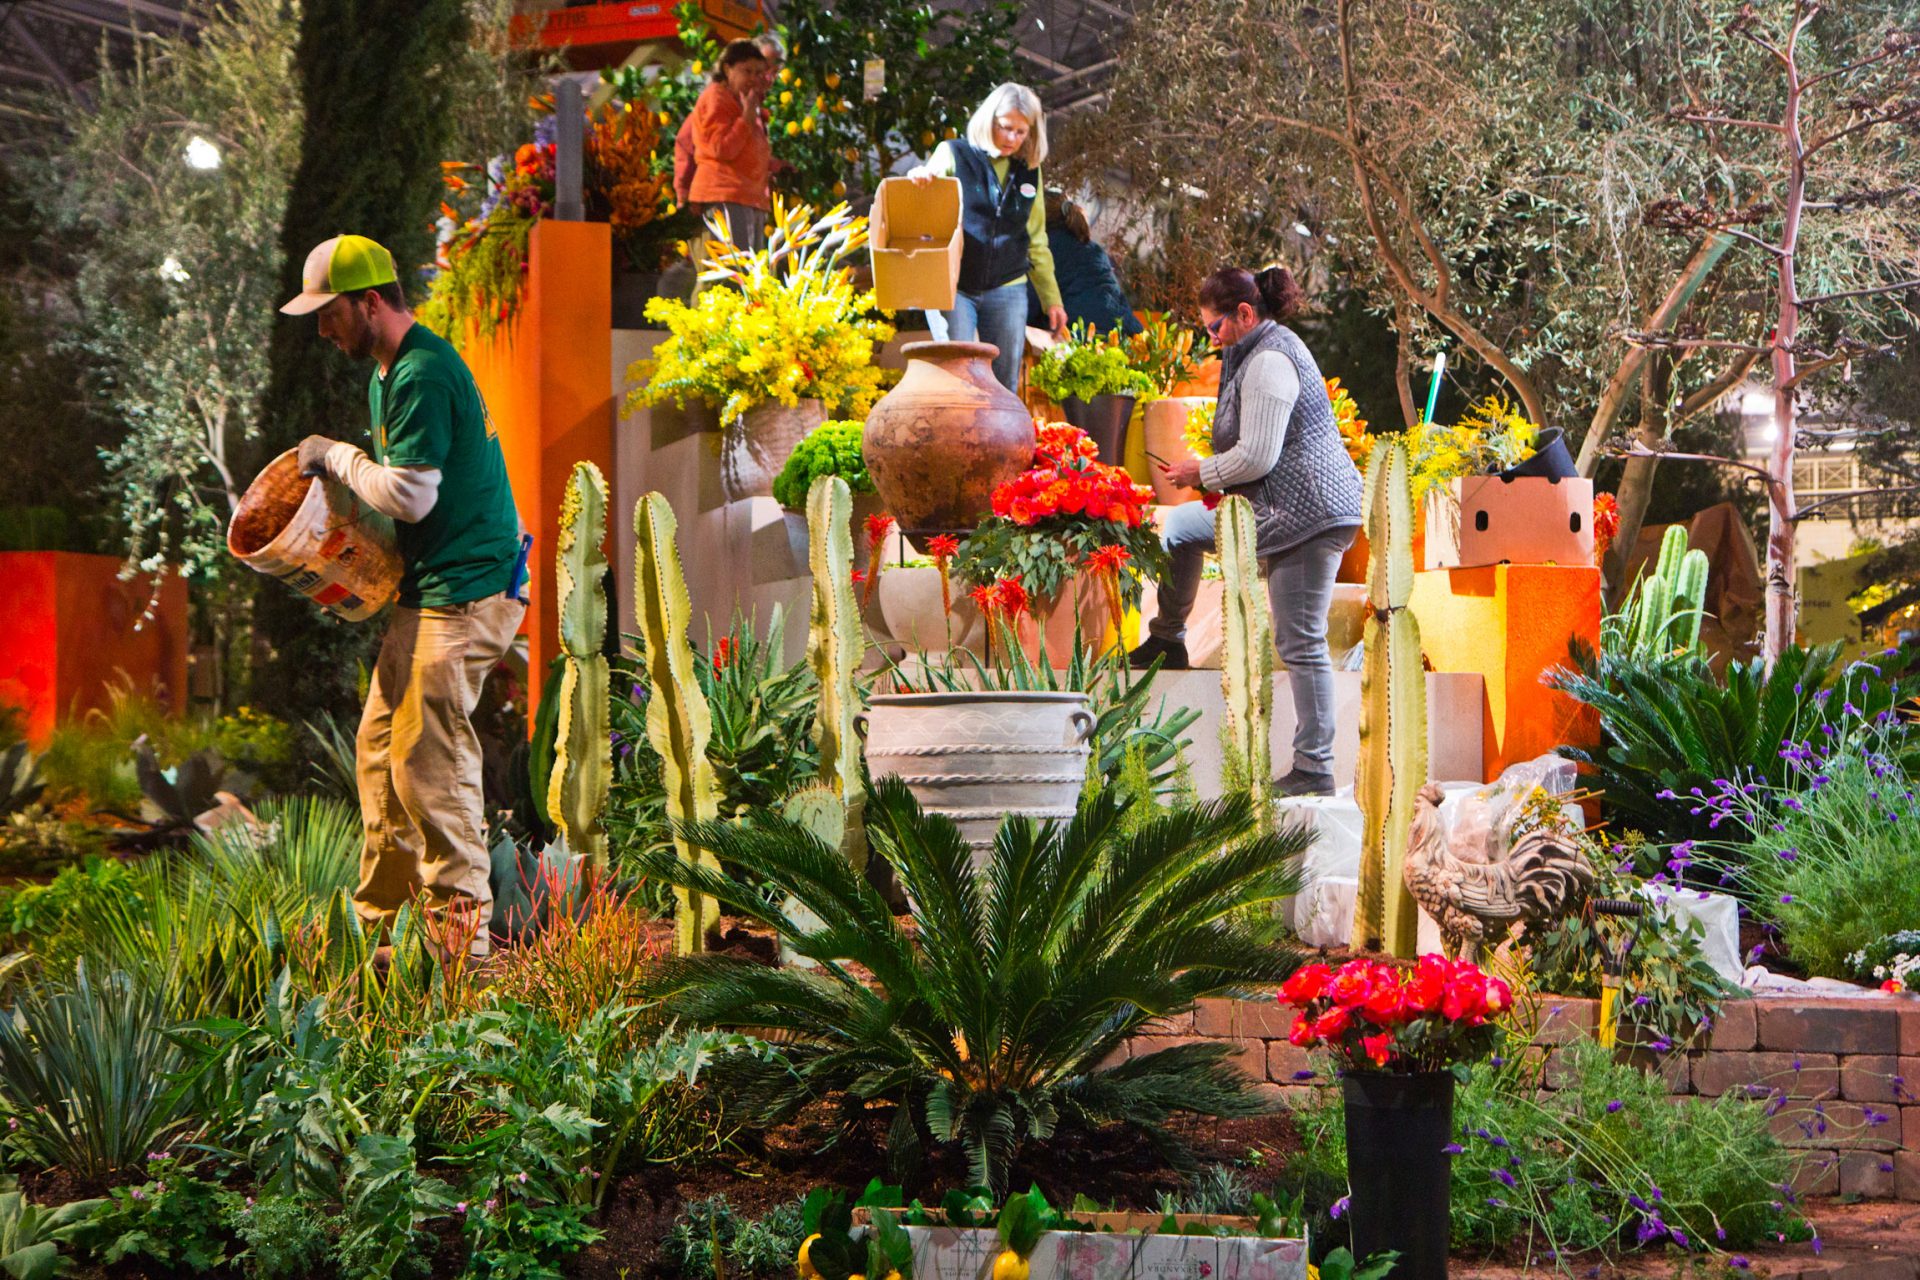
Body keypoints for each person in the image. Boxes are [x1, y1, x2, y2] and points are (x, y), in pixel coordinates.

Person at [281, 234, 528, 958]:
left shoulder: (421, 370)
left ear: (370, 301)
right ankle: (381, 926)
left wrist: (336, 455)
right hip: (430, 589)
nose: (323, 329)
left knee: (429, 755)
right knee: (380, 746)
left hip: (468, 590)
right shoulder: (388, 374)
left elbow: (413, 497)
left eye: (329, 313)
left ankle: (459, 938)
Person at [1130, 264, 1363, 798]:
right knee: (1182, 528)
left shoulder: (1272, 362)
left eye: (1215, 328)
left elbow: (1258, 456)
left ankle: (1315, 767)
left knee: (1299, 640)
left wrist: (1200, 472)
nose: (1211, 339)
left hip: (1310, 516)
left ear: (1244, 314)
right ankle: (1168, 639)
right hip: (1279, 509)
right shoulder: (1249, 351)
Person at [907, 82, 1069, 391]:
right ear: (989, 121)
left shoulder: (1029, 172)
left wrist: (1052, 299)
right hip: (955, 287)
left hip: (1007, 287)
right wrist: (921, 176)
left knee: (1004, 381)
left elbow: (1036, 240)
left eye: (1021, 132)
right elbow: (926, 183)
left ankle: (1001, 440)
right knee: (956, 373)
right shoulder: (954, 153)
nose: (1012, 139)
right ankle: (955, 437)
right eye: (1006, 128)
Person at [675, 31, 784, 207]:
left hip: (747, 198)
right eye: (761, 69)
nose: (767, 77)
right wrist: (683, 194)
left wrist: (773, 166)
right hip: (721, 197)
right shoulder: (721, 98)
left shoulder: (752, 104)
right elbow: (688, 143)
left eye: (774, 71)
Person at [688, 39, 772, 252]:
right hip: (726, 195)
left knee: (750, 273)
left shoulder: (743, 100)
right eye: (747, 71)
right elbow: (721, 148)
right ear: (727, 69)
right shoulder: (717, 98)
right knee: (733, 273)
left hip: (746, 197)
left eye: (758, 73)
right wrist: (747, 117)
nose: (754, 79)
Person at [1027, 192, 1142, 337]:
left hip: (1078, 336)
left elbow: (1027, 307)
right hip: (1124, 332)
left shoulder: (1042, 251)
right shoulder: (1091, 247)